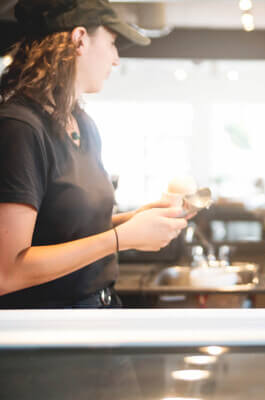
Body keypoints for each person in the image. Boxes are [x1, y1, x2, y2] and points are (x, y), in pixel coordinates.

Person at [0, 0, 189, 308]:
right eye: (113, 43)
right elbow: (6, 271)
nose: (116, 60)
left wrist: (134, 221)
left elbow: (66, 230)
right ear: (79, 39)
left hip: (98, 314)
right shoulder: (20, 128)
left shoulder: (83, 125)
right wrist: (120, 239)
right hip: (46, 335)